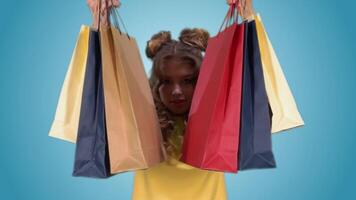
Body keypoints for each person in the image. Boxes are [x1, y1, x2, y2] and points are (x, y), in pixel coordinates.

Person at [86, 0, 254, 199]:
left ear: (202, 83)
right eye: (167, 81)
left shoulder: (220, 119)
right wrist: (100, 19)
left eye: (188, 81)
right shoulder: (140, 119)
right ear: (156, 85)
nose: (176, 91)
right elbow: (107, 85)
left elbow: (252, 89)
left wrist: (247, 15)